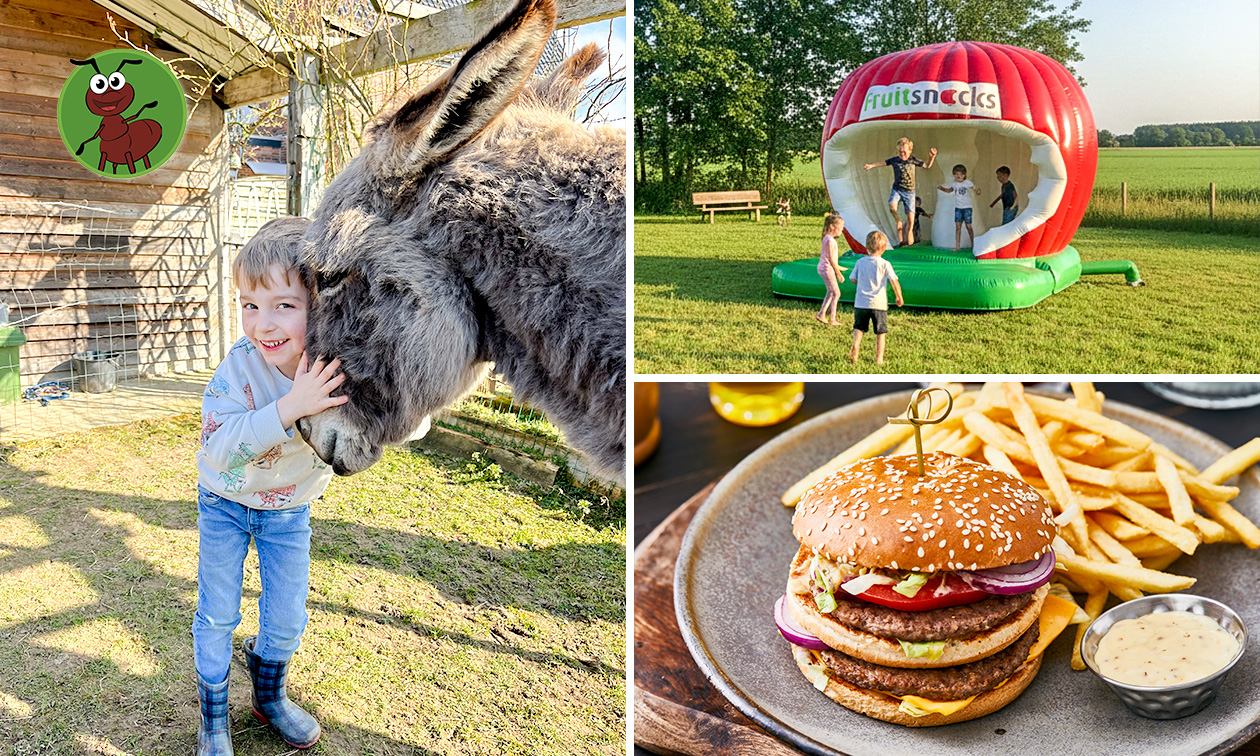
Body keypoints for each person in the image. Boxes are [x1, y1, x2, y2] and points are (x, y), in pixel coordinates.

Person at [193, 216, 348, 755]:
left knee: (286, 617)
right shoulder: (238, 369)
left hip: (288, 513)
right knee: (218, 612)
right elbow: (219, 446)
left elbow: (398, 420)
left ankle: (269, 697)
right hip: (225, 503)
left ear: (320, 305)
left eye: (285, 304)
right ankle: (213, 719)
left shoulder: (334, 367)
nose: (263, 324)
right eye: (249, 305)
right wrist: (289, 409)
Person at [864, 137, 937, 248]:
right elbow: (884, 162)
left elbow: (927, 166)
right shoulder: (895, 160)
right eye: (900, 151)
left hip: (910, 192)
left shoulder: (913, 160)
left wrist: (931, 157)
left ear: (910, 150)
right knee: (892, 207)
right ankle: (898, 220)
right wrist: (871, 165)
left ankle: (909, 236)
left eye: (904, 151)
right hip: (897, 189)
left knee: (911, 220)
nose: (902, 154)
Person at [848, 230, 904, 365]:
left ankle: (856, 346)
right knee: (880, 333)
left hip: (861, 303)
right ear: (883, 248)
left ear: (867, 247)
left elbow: (852, 279)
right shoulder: (885, 264)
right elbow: (894, 281)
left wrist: (862, 280)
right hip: (878, 304)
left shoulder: (860, 262)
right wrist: (899, 296)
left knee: (859, 328)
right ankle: (879, 359)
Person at [937, 164, 980, 251]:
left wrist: (977, 191)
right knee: (958, 226)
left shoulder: (967, 182)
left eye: (960, 174)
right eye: (956, 174)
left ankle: (973, 244)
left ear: (964, 175)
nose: (958, 176)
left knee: (968, 226)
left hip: (967, 207)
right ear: (953, 175)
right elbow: (949, 191)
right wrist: (941, 188)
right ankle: (957, 246)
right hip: (958, 208)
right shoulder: (954, 184)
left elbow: (974, 188)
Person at [816, 213, 845, 326]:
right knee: (836, 293)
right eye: (841, 227)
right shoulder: (830, 241)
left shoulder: (827, 238)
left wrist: (839, 268)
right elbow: (832, 260)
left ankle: (822, 314)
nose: (842, 230)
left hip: (824, 267)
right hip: (826, 268)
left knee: (831, 292)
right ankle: (832, 319)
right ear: (833, 226)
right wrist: (838, 274)